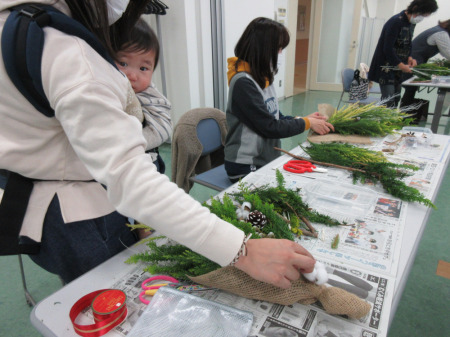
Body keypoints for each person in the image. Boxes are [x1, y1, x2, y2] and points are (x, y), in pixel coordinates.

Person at [0, 0, 315, 286]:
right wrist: (241, 250)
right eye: (277, 50)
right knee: (108, 288)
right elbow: (132, 179)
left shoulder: (24, 26)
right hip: (82, 211)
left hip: (74, 200)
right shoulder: (68, 52)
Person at [224, 17, 334, 182]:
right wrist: (307, 124)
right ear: (263, 49)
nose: (280, 53)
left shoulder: (262, 77)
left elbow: (275, 116)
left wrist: (304, 119)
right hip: (246, 166)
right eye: (279, 48)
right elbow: (270, 127)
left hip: (266, 159)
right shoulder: (243, 83)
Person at [114, 18, 171, 174]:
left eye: (143, 68)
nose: (132, 75)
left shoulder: (150, 95)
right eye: (123, 63)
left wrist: (129, 144)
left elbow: (162, 129)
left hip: (147, 162)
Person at [368, 0, 438, 108]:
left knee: (396, 98)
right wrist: (400, 65)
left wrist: (409, 57)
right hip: (386, 67)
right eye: (423, 14)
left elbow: (408, 43)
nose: (422, 18)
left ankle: (390, 123)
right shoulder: (396, 22)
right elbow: (387, 48)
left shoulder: (410, 23)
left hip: (398, 68)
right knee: (388, 99)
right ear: (415, 8)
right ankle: (382, 122)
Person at [400, 19, 450, 108]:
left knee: (410, 89)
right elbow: (448, 53)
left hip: (414, 59)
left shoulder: (438, 29)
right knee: (410, 89)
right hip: (413, 61)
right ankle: (404, 115)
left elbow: (444, 52)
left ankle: (405, 114)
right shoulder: (441, 34)